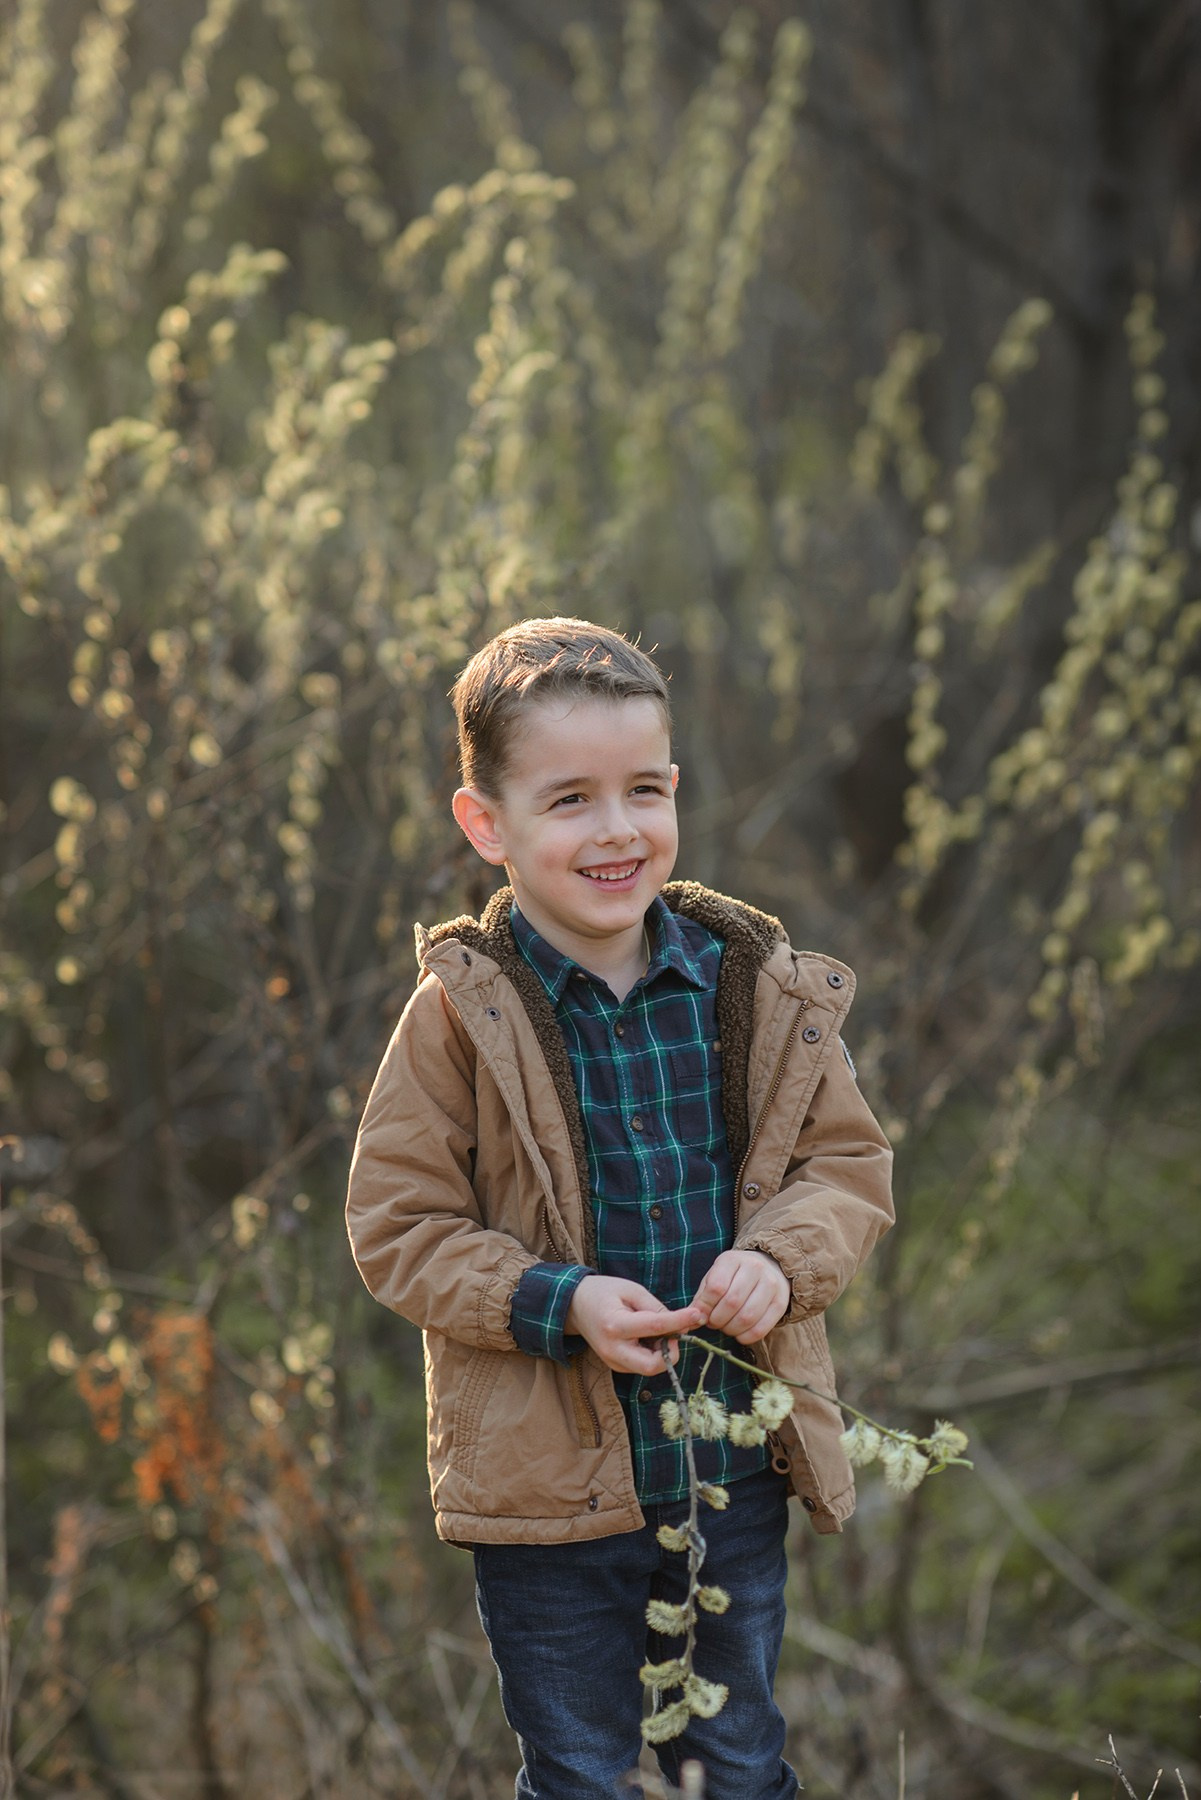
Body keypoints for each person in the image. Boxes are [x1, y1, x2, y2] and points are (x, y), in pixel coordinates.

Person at [345, 617, 894, 1800]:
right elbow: (398, 1227)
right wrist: (558, 1299)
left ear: (675, 792)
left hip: (729, 1472)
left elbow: (844, 1169)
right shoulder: (455, 1019)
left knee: (737, 1762)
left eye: (642, 790)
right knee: (584, 1773)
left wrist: (782, 1267)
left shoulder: (751, 986)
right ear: (484, 822)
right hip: (546, 1505)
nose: (615, 830)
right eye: (569, 799)